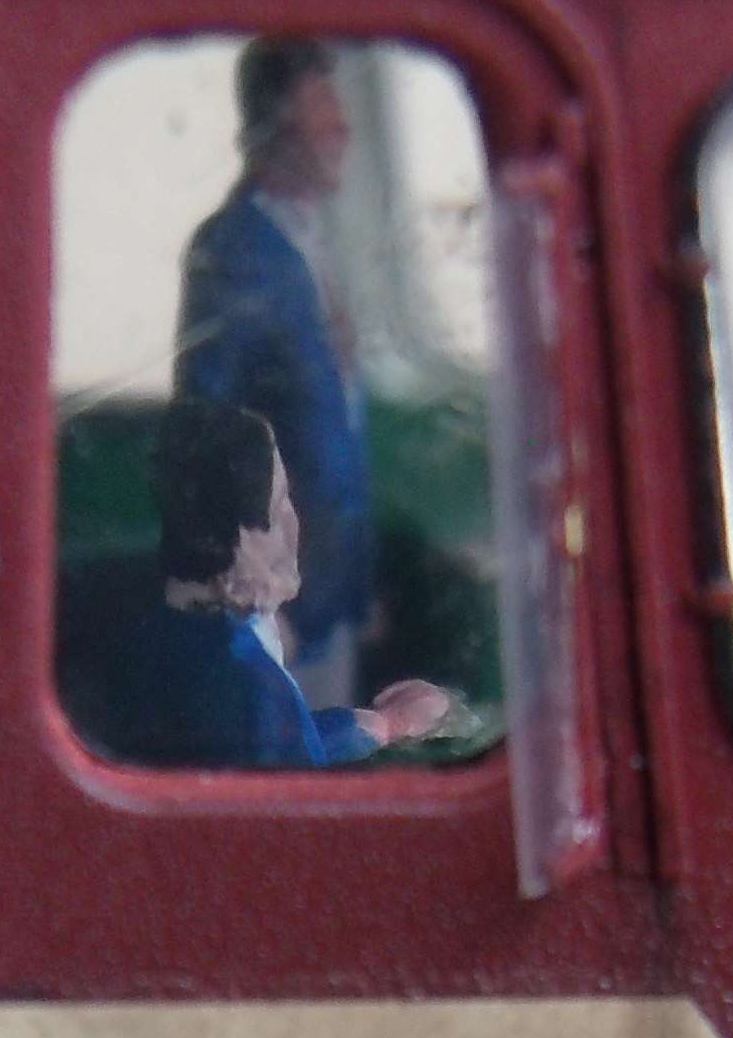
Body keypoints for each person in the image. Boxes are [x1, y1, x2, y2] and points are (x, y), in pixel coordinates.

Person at [64, 403, 450, 770]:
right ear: (234, 542)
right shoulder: (241, 674)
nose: (294, 527)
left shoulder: (151, 632)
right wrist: (389, 724)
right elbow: (290, 761)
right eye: (278, 509)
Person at [172, 38, 376, 704]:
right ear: (276, 125)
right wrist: (247, 592)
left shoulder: (313, 243)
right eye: (322, 105)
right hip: (277, 611)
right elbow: (208, 430)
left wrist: (355, 585)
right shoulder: (236, 249)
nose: (341, 127)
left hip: (329, 599)